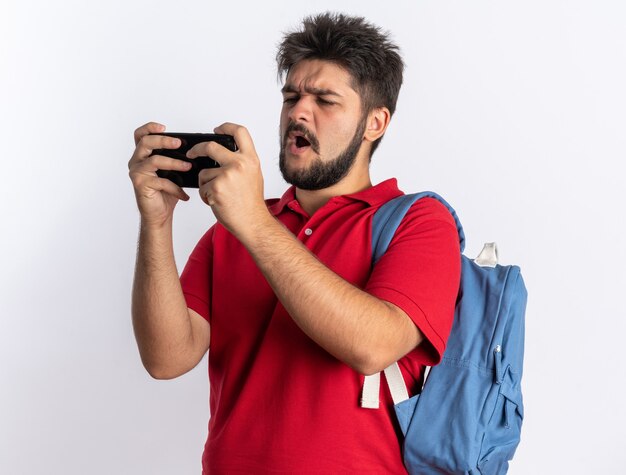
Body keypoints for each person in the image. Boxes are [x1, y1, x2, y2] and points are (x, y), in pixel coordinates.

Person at [128, 12, 461, 474]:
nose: (299, 113)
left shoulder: (419, 221)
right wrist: (157, 224)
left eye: (325, 100)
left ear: (375, 123)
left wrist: (254, 224)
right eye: (292, 96)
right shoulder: (232, 227)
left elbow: (373, 346)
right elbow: (166, 358)